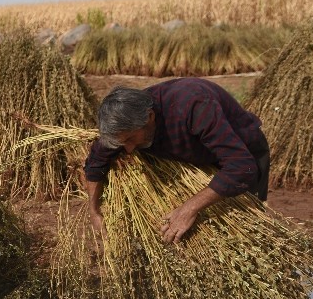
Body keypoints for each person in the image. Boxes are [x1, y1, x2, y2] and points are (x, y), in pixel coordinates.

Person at [84, 78, 270, 244]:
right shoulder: (126, 126)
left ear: (150, 117)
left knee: (244, 227)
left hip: (241, 152)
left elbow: (240, 166)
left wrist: (189, 208)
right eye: (123, 142)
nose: (129, 149)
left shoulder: (193, 104)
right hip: (196, 160)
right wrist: (94, 210)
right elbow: (96, 161)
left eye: (131, 139)